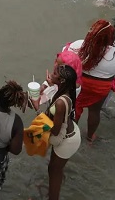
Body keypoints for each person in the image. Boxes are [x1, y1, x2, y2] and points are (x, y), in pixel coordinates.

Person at [67, 20, 115, 142]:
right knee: (95, 111)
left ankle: (70, 137)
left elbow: (66, 53)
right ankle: (90, 137)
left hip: (79, 84)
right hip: (100, 88)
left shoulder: (78, 46)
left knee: (74, 109)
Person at [38, 63, 80, 200]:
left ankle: (53, 196)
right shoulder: (65, 92)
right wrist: (50, 83)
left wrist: (38, 115)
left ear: (62, 81)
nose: (51, 74)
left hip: (67, 140)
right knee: (57, 168)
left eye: (55, 73)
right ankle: (54, 188)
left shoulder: (61, 102)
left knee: (53, 170)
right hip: (71, 132)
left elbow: (55, 131)